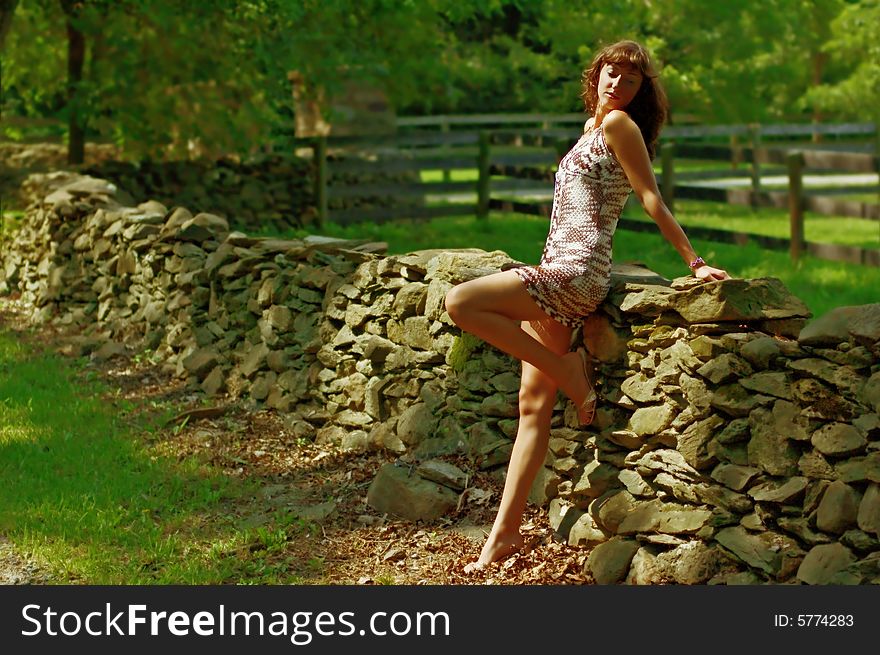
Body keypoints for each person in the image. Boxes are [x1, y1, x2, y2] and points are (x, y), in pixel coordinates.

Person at [444, 40, 730, 572]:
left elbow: (650, 198)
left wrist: (694, 263)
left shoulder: (621, 126)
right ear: (595, 73)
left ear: (640, 91)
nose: (616, 83)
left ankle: (570, 372)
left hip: (576, 273)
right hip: (557, 265)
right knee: (532, 409)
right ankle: (502, 536)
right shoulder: (589, 131)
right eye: (610, 72)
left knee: (460, 301)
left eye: (629, 79)